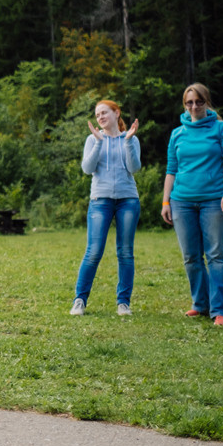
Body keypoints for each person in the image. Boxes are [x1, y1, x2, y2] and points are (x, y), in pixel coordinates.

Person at [160, 83, 223, 327]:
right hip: (181, 202)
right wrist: (166, 200)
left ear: (207, 102)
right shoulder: (177, 133)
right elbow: (171, 170)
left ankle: (220, 311)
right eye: (189, 103)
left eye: (199, 102)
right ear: (185, 105)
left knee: (216, 255)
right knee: (191, 257)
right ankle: (200, 304)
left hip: (214, 201)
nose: (194, 107)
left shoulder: (221, 128)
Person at [70, 100, 141, 317]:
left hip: (127, 200)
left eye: (104, 113)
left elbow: (134, 167)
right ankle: (79, 301)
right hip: (100, 200)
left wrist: (128, 141)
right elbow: (87, 168)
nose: (100, 117)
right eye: (97, 114)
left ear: (116, 113)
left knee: (125, 252)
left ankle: (123, 303)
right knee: (93, 251)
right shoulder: (92, 139)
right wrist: (99, 142)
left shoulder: (131, 138)